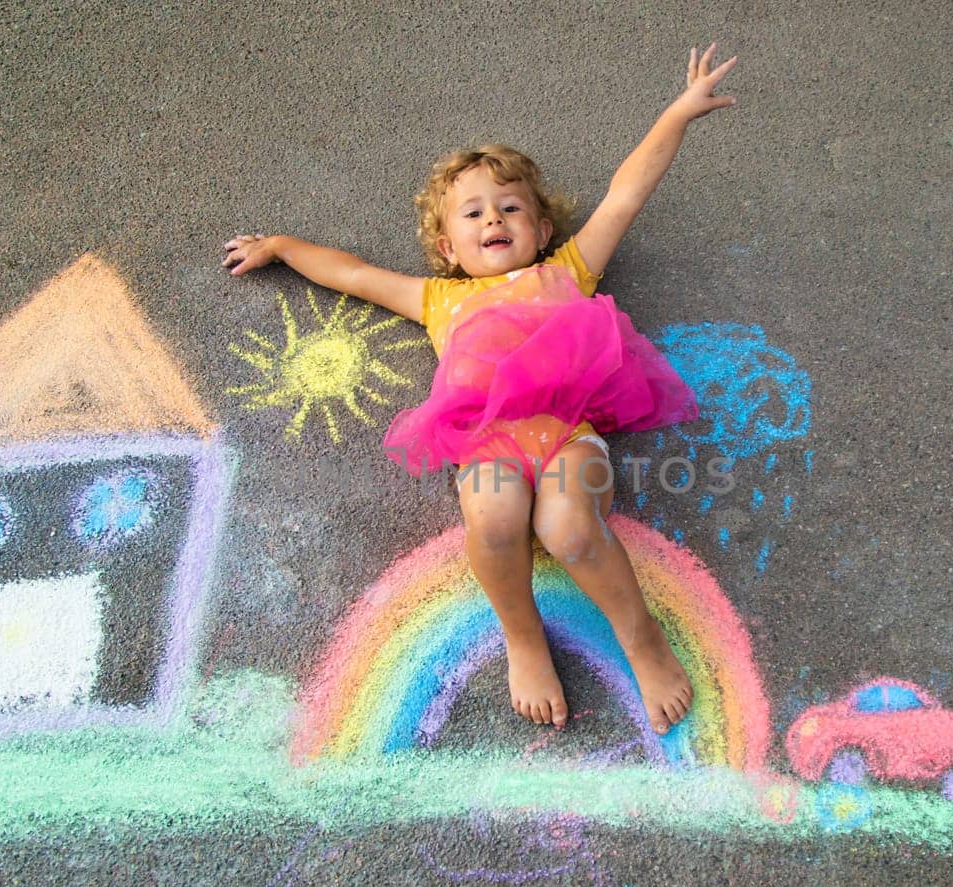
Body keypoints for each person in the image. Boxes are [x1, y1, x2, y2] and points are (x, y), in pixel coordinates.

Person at [223, 44, 739, 736]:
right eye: (472, 214)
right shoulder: (437, 299)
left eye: (510, 209)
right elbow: (351, 274)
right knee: (494, 520)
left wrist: (677, 112)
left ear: (543, 229)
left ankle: (641, 636)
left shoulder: (569, 269)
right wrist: (284, 245)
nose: (493, 221)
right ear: (446, 247)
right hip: (487, 441)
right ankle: (523, 637)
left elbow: (625, 194)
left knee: (567, 527)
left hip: (565, 434)